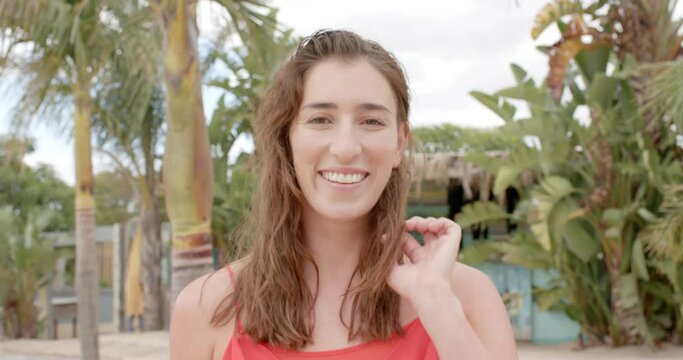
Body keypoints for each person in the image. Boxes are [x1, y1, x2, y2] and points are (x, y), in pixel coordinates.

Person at [169, 29, 517, 360]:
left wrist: (438, 305)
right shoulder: (206, 308)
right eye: (321, 119)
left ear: (399, 144)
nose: (347, 147)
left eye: (371, 121)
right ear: (286, 140)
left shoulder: (466, 297)